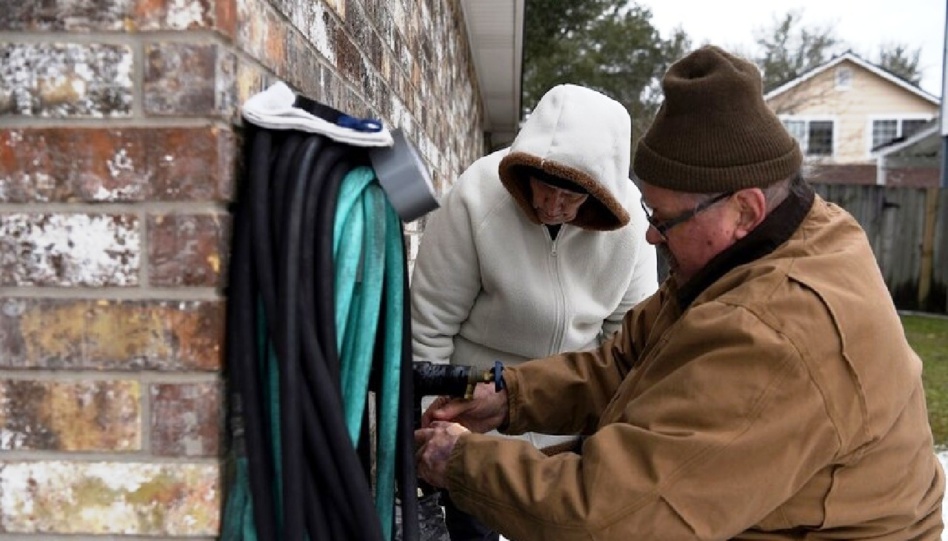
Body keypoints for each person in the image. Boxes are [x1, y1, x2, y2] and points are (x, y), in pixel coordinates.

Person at [414, 45, 946, 540]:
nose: (649, 235)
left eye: (665, 219)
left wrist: (463, 463)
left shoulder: (776, 333)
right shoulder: (754, 252)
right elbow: (622, 361)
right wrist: (510, 397)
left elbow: (615, 516)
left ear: (745, 210)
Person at [410, 83, 659, 540]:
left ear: (600, 193)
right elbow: (428, 326)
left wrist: (609, 439)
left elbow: (630, 344)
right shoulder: (477, 197)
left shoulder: (632, 231)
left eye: (570, 197)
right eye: (544, 188)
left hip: (567, 436)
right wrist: (427, 432)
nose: (551, 205)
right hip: (473, 430)